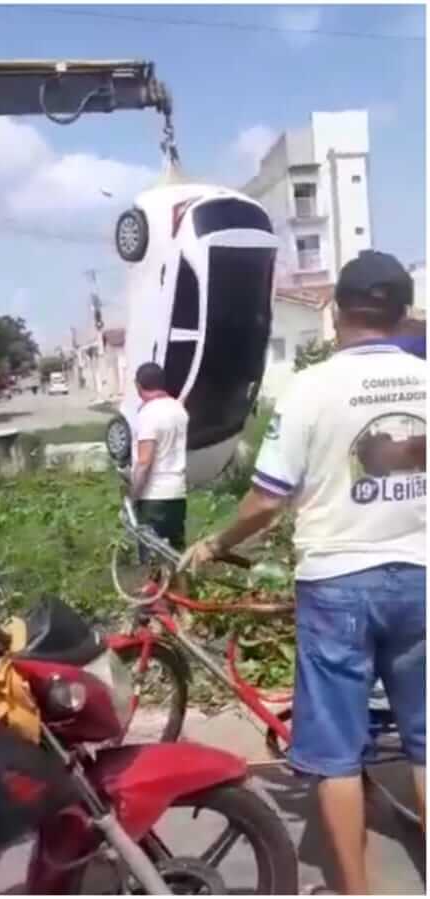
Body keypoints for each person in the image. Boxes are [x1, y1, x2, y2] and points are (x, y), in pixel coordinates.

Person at [183, 249, 426, 895]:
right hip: (421, 577)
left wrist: (215, 542)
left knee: (338, 753)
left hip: (338, 583)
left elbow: (267, 499)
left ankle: (355, 890)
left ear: (337, 311)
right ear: (403, 314)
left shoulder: (310, 388)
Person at [127, 362, 190, 552]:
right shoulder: (178, 409)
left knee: (153, 559)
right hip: (177, 494)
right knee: (176, 555)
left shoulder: (149, 413)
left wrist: (133, 496)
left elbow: (144, 462)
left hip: (154, 497)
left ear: (138, 386)